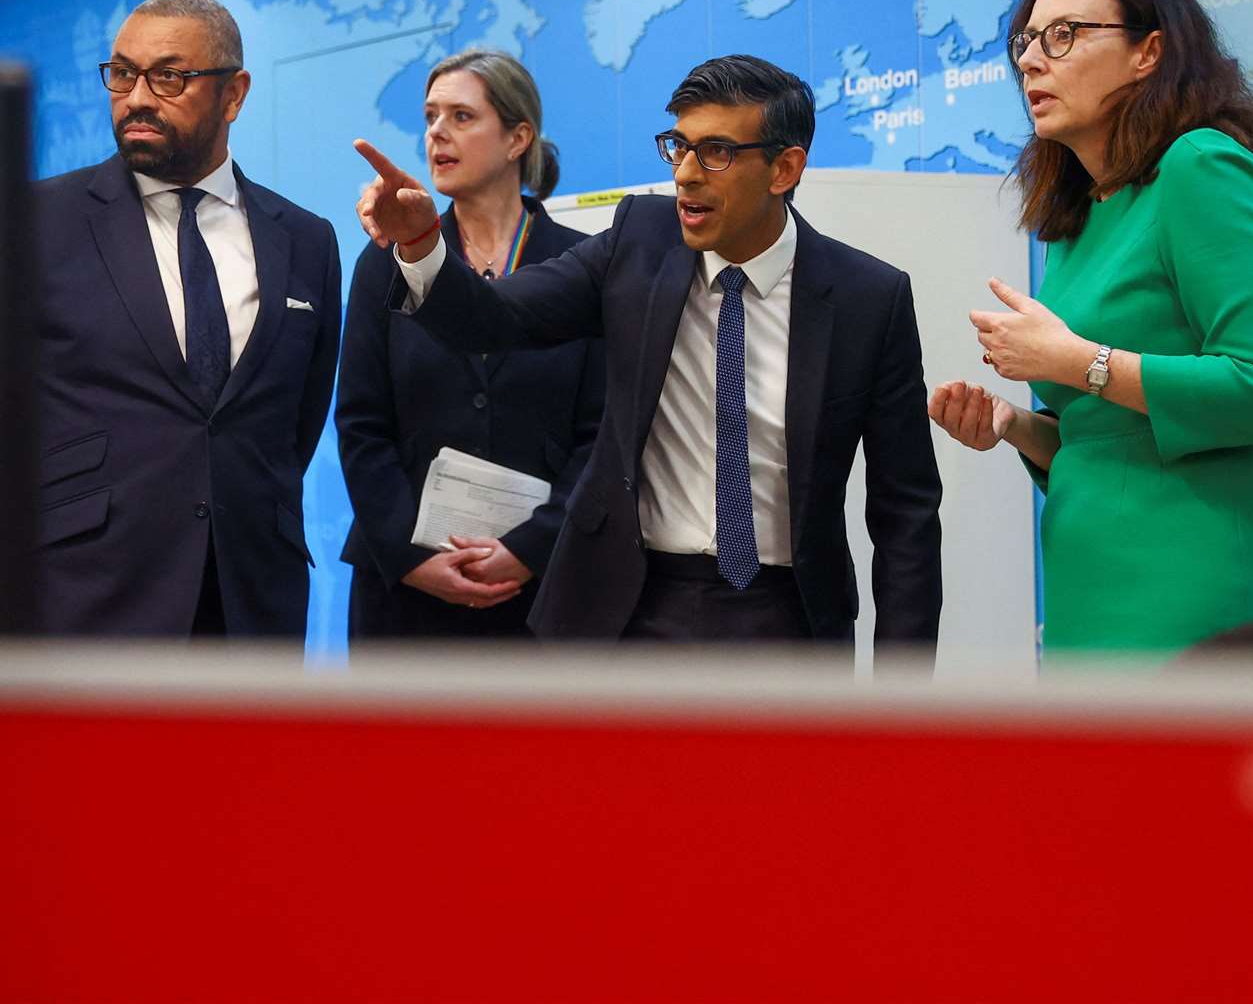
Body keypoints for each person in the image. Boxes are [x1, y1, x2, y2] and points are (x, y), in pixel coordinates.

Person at [355, 55, 942, 647]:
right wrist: (421, 243)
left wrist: (902, 700)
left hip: (788, 617)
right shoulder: (640, 242)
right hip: (633, 607)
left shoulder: (870, 298)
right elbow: (494, 317)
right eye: (678, 146)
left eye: (715, 152)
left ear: (784, 169)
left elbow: (905, 517)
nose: (686, 174)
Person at [928, 0, 1253, 654]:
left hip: (1196, 583)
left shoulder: (1201, 166)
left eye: (1064, 35)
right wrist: (1015, 424)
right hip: (1088, 585)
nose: (1031, 63)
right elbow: (1105, 437)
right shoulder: (1079, 215)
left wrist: (1080, 362)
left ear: (1149, 52)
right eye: (1025, 42)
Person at [33, 0, 342, 636]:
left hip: (254, 598)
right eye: (122, 74)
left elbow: (294, 421)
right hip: (90, 599)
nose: (138, 98)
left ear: (234, 94)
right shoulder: (35, 222)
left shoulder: (307, 240)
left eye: (169, 77)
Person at [336, 50, 602, 639]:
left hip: (541, 591)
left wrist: (533, 548)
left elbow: (602, 437)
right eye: (430, 117)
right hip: (403, 594)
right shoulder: (388, 259)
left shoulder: (583, 265)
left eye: (461, 116)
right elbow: (361, 425)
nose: (436, 133)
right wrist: (412, 558)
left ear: (517, 138)